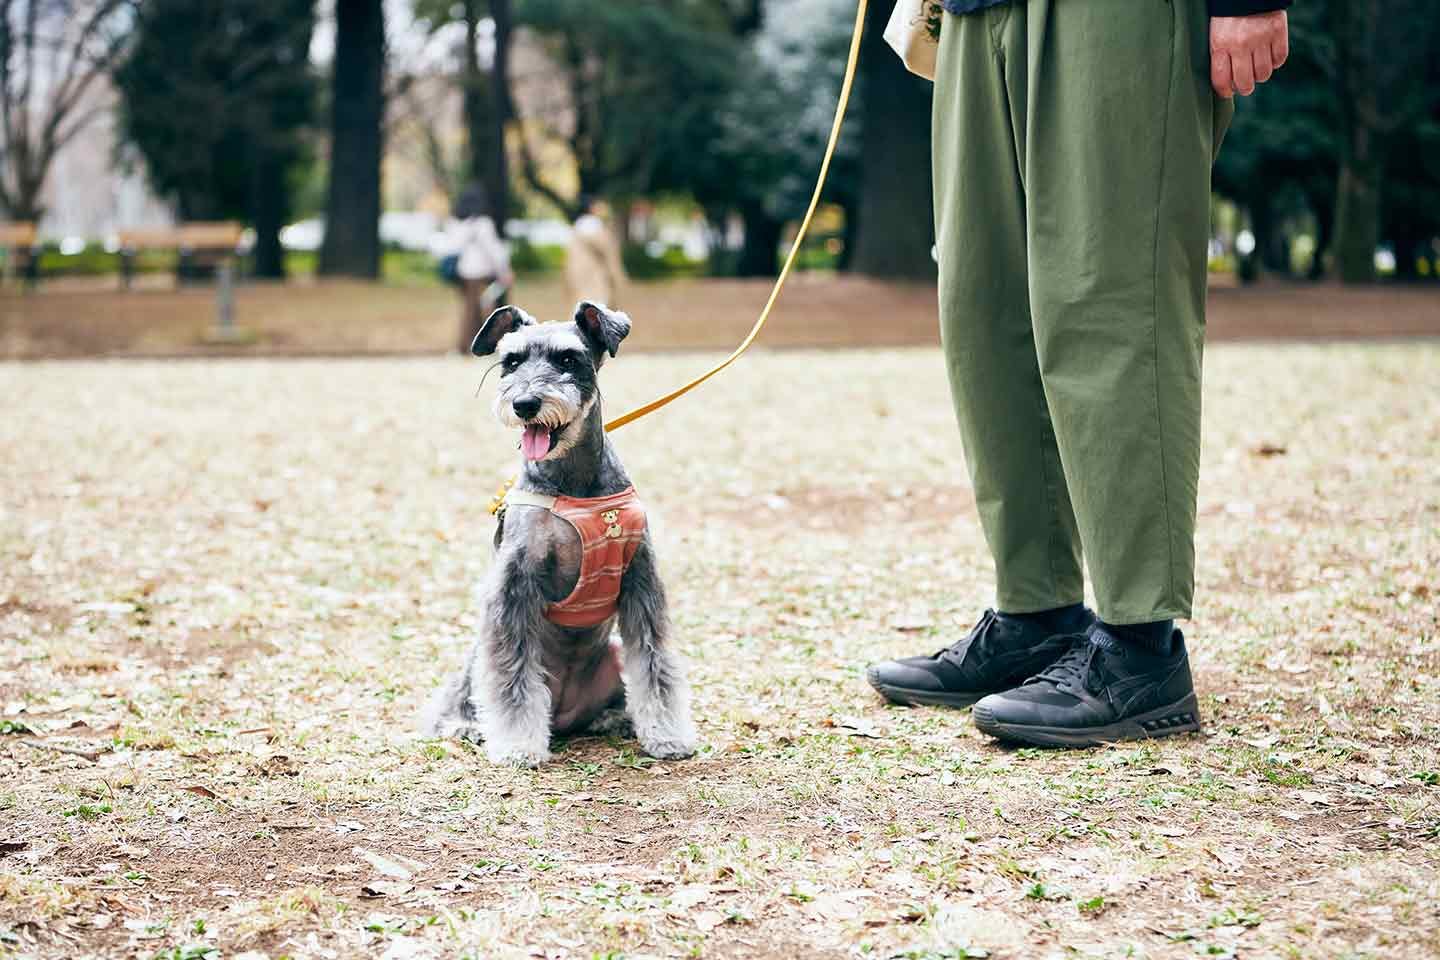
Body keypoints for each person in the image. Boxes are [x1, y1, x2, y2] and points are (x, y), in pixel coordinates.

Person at [865, 0, 1291, 747]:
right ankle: (1037, 615)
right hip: (974, 13)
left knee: (1109, 295)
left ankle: (1141, 650)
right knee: (985, 310)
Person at [449, 183, 514, 354]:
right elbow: (493, 250)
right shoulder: (483, 223)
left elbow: (453, 246)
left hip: (463, 273)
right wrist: (504, 271)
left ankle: (468, 346)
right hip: (482, 273)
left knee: (470, 310)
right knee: (483, 310)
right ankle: (476, 346)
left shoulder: (457, 222)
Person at [564, 195, 627, 308]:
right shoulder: (593, 225)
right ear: (591, 208)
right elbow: (607, 251)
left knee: (582, 305)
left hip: (578, 273)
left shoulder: (578, 225)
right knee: (596, 307)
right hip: (593, 274)